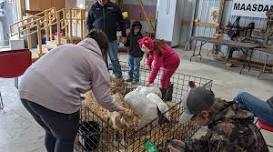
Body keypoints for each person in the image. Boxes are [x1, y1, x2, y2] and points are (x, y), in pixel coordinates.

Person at [19, 30, 126, 152]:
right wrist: (116, 107)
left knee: (52, 131)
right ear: (102, 50)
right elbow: (103, 98)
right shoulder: (97, 60)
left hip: (26, 87)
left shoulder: (67, 47)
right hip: (52, 96)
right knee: (65, 137)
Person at [168, 87, 269, 152]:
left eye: (193, 118)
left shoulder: (225, 134)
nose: (193, 122)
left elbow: (219, 142)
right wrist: (186, 146)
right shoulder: (224, 113)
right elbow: (208, 143)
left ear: (204, 114)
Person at [87, 0, 126, 79]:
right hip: (99, 40)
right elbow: (89, 22)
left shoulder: (114, 7)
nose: (101, 1)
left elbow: (122, 22)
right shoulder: (93, 7)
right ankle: (105, 77)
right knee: (102, 60)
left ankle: (118, 77)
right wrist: (91, 35)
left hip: (111, 39)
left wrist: (124, 35)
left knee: (114, 59)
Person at [138, 36, 180, 101]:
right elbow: (149, 55)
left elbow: (156, 67)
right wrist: (148, 65)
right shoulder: (152, 45)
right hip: (168, 60)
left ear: (149, 47)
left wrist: (150, 81)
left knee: (163, 79)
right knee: (166, 78)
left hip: (172, 61)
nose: (144, 52)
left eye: (145, 49)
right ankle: (169, 96)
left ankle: (163, 97)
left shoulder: (157, 51)